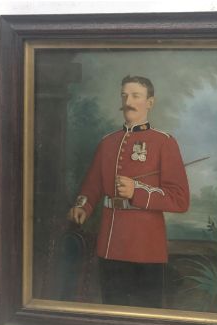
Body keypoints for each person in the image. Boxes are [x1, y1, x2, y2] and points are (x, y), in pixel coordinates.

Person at [67, 75, 190, 307]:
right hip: (110, 244)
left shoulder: (164, 142)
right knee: (112, 311)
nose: (128, 101)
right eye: (124, 95)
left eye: (136, 96)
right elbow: (92, 185)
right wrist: (83, 205)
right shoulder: (107, 142)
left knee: (145, 316)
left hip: (146, 247)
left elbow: (180, 200)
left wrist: (137, 191)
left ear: (150, 103)